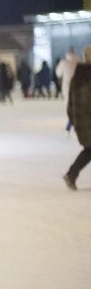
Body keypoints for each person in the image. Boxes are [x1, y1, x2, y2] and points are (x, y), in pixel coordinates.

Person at [63, 58, 91, 190]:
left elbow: (70, 104)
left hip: (81, 122)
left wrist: (73, 120)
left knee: (89, 150)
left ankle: (71, 174)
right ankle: (71, 174)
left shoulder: (77, 77)